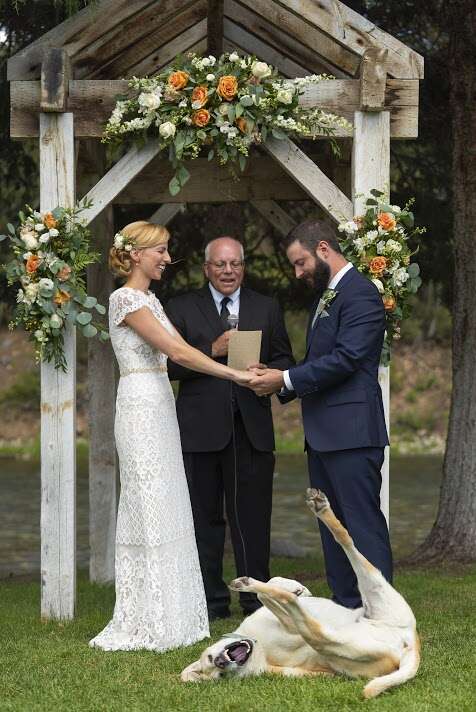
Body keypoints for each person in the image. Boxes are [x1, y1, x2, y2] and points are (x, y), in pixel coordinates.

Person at [89, 222, 252, 652]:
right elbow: (178, 353)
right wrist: (235, 373)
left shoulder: (151, 300)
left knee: (170, 500)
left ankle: (175, 611)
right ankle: (148, 615)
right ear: (137, 254)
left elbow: (186, 349)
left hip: (162, 403)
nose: (166, 258)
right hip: (140, 404)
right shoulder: (124, 299)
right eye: (160, 251)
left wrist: (232, 360)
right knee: (148, 502)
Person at [248, 219, 392, 609]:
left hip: (353, 433)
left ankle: (381, 614)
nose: (298, 273)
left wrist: (285, 379)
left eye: (300, 262)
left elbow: (346, 359)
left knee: (361, 525)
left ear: (324, 249)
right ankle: (347, 606)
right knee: (333, 527)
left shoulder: (360, 293)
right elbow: (320, 361)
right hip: (325, 434)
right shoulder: (326, 296)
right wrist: (277, 376)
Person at [165, 237, 294, 620]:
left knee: (253, 520)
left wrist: (268, 372)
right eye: (220, 264)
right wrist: (211, 351)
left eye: (235, 264)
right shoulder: (182, 308)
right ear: (206, 268)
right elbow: (168, 368)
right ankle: (210, 602)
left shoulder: (266, 307)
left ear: (243, 267)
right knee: (204, 521)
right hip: (199, 433)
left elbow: (285, 358)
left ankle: (257, 602)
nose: (228, 271)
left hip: (251, 430)